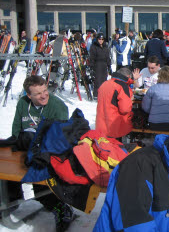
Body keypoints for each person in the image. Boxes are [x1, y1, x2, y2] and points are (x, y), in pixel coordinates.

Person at [7, 76, 74, 231]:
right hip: (26, 152)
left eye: (45, 91)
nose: (44, 95)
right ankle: (10, 200)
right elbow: (16, 131)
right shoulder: (23, 103)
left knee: (40, 183)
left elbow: (58, 138)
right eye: (38, 94)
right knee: (6, 174)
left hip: (49, 154)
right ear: (29, 95)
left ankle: (60, 208)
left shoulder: (57, 106)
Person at [96, 67, 134, 138]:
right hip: (114, 127)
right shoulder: (122, 86)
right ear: (128, 76)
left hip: (101, 125)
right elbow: (125, 109)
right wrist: (130, 100)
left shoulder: (105, 83)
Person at [142, 66, 169, 131]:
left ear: (159, 75)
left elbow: (145, 107)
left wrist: (153, 112)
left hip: (155, 123)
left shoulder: (153, 88)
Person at [89, 33, 111, 99]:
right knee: (98, 80)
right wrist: (92, 66)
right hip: (97, 65)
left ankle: (103, 94)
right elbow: (92, 57)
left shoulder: (105, 47)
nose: (101, 41)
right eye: (99, 39)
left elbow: (107, 57)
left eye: (102, 39)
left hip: (104, 65)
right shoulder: (94, 46)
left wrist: (109, 65)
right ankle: (96, 95)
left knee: (104, 81)